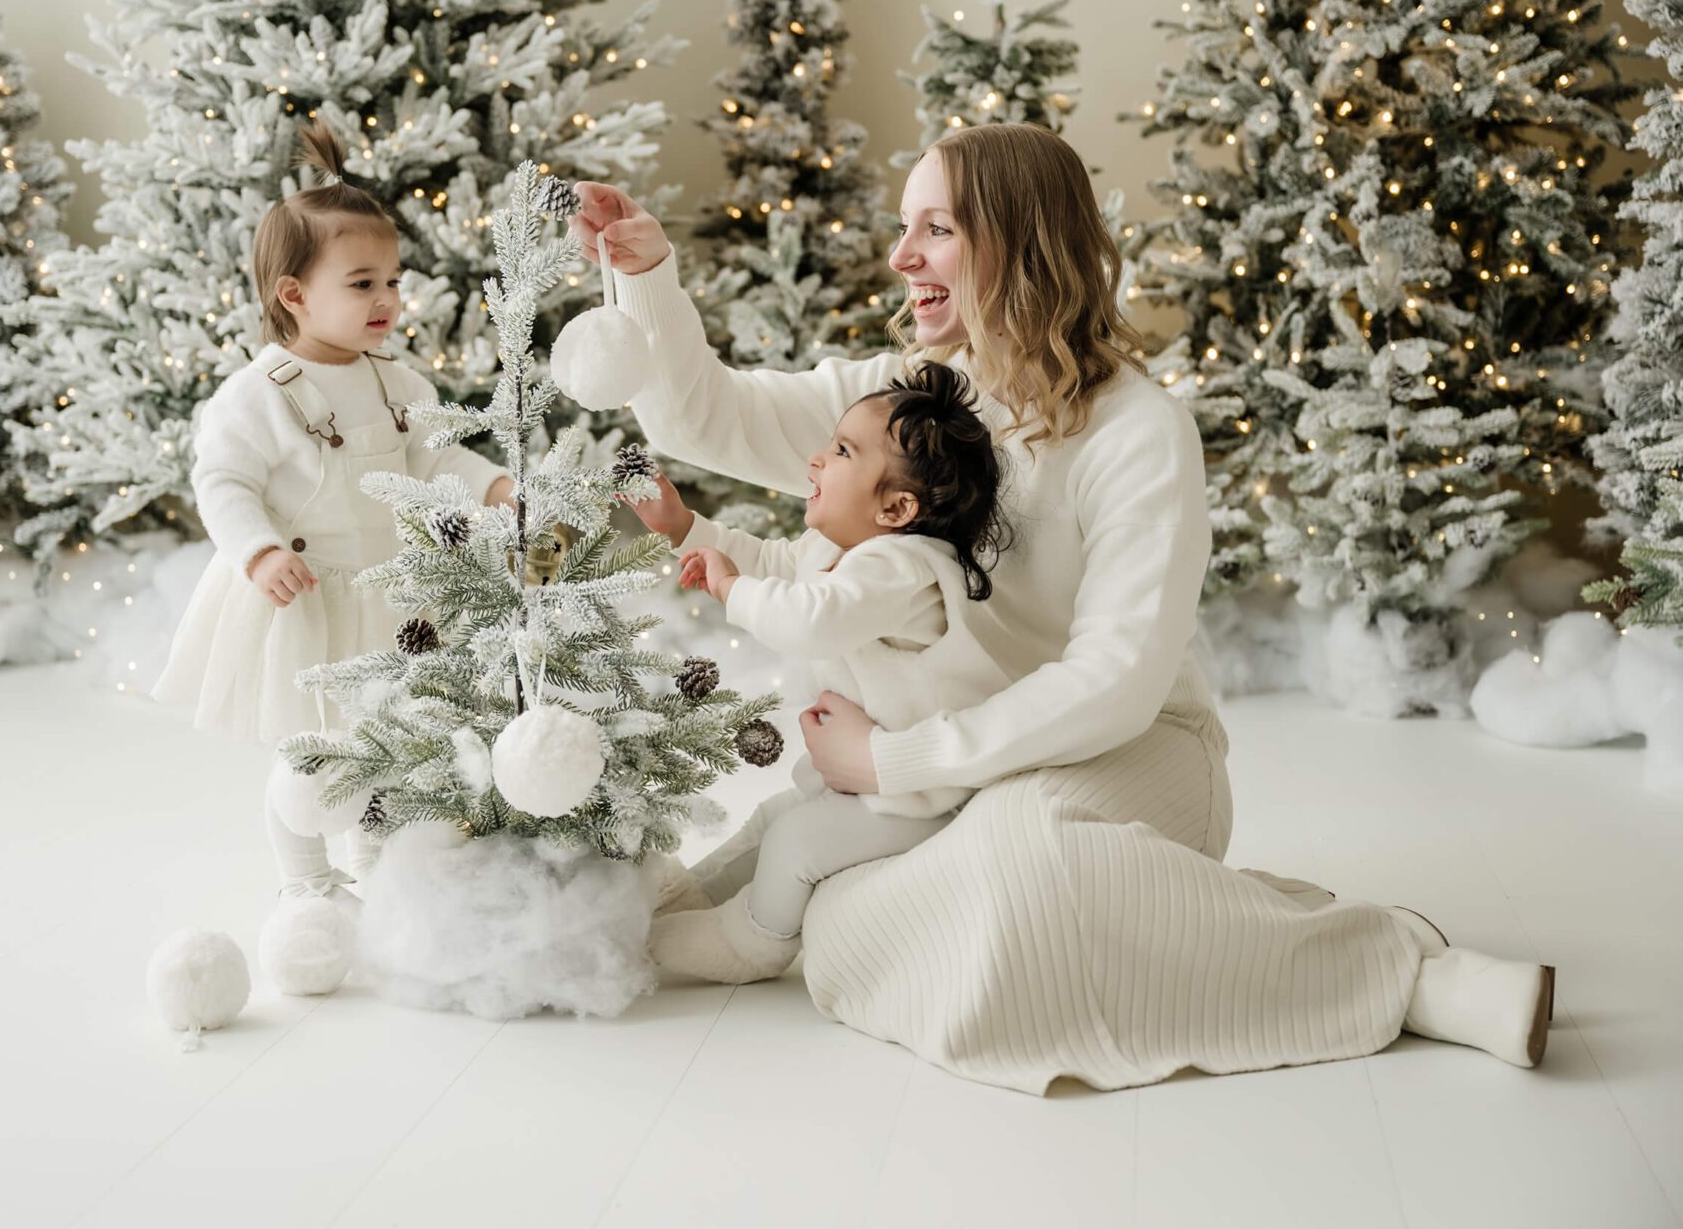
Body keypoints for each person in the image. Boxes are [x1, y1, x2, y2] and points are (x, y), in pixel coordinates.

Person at [569, 122, 1555, 1092]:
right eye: (907, 227)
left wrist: (889, 759)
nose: (901, 254)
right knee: (840, 923)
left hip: (1122, 755)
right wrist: (646, 274)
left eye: (937, 229)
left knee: (1018, 870)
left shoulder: (1137, 429)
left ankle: (1403, 972)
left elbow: (1114, 685)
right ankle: (1214, 918)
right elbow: (703, 419)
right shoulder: (908, 404)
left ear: (1022, 241)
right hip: (963, 778)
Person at [154, 121, 513, 990]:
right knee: (313, 748)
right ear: (294, 294)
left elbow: (436, 460)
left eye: (393, 280)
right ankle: (305, 883)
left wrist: (494, 485)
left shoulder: (402, 383)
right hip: (306, 594)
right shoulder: (259, 393)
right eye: (362, 283)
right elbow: (223, 481)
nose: (388, 299)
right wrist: (258, 549)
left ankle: (383, 868)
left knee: (392, 735)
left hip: (393, 595)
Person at [630, 361, 1014, 983]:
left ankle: (753, 943)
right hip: (863, 784)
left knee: (795, 843)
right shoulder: (841, 549)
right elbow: (777, 564)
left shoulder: (904, 568)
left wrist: (729, 588)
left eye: (841, 451)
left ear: (895, 507)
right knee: (770, 820)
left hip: (923, 799)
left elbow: (813, 617)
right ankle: (686, 904)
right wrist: (685, 529)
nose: (815, 459)